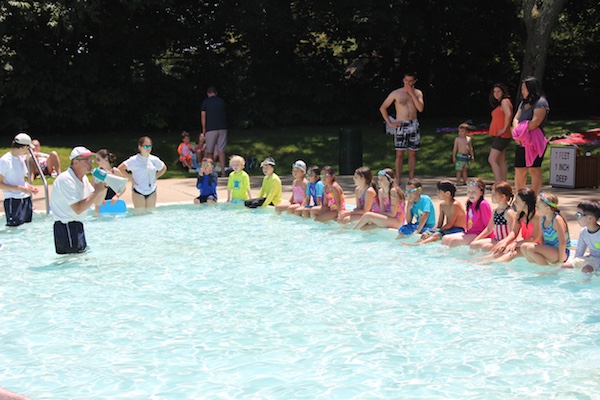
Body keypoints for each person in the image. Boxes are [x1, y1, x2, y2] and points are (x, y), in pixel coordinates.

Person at [50, 146, 107, 254]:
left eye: (91, 160)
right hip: (66, 227)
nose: (91, 163)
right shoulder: (66, 179)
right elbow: (78, 208)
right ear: (75, 162)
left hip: (76, 226)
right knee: (72, 263)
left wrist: (103, 187)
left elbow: (97, 202)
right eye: (87, 160)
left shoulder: (83, 178)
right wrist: (96, 191)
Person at [379, 72, 425, 184]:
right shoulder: (396, 93)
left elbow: (420, 108)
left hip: (413, 123)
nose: (408, 83)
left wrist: (412, 94)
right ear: (403, 80)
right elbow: (383, 107)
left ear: (414, 81)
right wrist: (390, 122)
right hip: (401, 124)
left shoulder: (418, 93)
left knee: (412, 152)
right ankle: (398, 179)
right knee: (399, 153)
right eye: (406, 80)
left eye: (410, 81)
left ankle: (411, 178)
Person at [476, 187, 541, 264]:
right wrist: (505, 242)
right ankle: (476, 261)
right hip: (524, 243)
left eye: (517, 201)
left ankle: (490, 264)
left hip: (535, 245)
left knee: (511, 253)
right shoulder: (520, 214)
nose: (514, 203)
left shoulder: (536, 216)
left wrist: (515, 244)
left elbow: (534, 238)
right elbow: (514, 232)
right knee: (501, 248)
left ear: (524, 203)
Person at [512, 76, 549, 195]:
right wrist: (517, 132)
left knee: (534, 169)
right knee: (519, 169)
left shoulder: (541, 102)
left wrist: (521, 132)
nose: (522, 91)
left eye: (524, 89)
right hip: (521, 141)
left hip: (534, 141)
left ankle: (534, 196)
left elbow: (536, 122)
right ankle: (519, 195)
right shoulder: (523, 103)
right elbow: (516, 118)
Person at [407, 180, 466, 245]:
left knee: (436, 235)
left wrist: (435, 231)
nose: (437, 194)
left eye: (439, 192)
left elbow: (450, 225)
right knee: (425, 234)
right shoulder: (442, 205)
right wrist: (429, 231)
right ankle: (416, 243)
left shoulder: (455, 205)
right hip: (449, 228)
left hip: (458, 230)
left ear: (447, 194)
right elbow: (439, 223)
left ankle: (417, 244)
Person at [521, 192, 570, 265]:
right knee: (523, 247)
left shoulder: (556, 220)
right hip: (549, 250)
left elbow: (562, 242)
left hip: (561, 252)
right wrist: (542, 250)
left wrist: (560, 261)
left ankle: (547, 269)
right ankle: (544, 266)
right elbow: (541, 237)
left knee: (530, 248)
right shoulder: (542, 218)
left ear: (547, 208)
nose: (536, 209)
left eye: (538, 207)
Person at [0, 133, 39, 227]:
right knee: (14, 230)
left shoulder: (20, 159)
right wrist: (19, 188)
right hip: (12, 200)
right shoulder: (4, 161)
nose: (29, 150)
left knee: (26, 228)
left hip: (25, 199)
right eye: (28, 148)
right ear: (23, 147)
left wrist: (30, 187)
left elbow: (20, 180)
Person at [118, 136, 167, 209]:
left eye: (150, 146)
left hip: (152, 191)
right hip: (138, 190)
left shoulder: (154, 159)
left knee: (150, 214)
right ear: (140, 147)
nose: (148, 148)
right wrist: (131, 180)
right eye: (146, 146)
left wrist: (155, 177)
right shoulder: (134, 160)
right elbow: (120, 168)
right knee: (140, 215)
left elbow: (164, 168)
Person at [442, 179, 492, 247]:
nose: (471, 194)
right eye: (469, 191)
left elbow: (489, 227)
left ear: (481, 192)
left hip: (479, 234)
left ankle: (452, 257)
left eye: (474, 192)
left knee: (454, 241)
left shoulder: (483, 204)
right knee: (445, 238)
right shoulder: (469, 203)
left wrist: (477, 239)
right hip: (470, 233)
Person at [470, 181, 516, 252]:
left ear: (503, 196)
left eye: (494, 194)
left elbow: (513, 233)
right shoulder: (495, 211)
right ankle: (472, 261)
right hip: (496, 239)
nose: (492, 196)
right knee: (473, 245)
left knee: (486, 247)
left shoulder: (508, 213)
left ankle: (485, 262)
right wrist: (476, 239)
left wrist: (505, 243)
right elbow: (489, 229)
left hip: (505, 241)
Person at [562, 200, 600, 274]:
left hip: (598, 260)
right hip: (591, 259)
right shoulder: (584, 232)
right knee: (564, 266)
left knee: (586, 270)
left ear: (590, 218)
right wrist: (575, 263)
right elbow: (579, 253)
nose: (576, 217)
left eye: (578, 215)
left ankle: (586, 285)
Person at [487, 83, 513, 182]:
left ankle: (498, 183)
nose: (496, 94)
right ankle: (503, 182)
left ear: (503, 92)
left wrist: (504, 128)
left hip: (502, 135)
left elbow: (508, 114)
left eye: (498, 91)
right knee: (501, 160)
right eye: (494, 92)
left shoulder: (504, 101)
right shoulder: (503, 102)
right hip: (501, 135)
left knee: (492, 159)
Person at [201, 86, 227, 176]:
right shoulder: (221, 101)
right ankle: (223, 171)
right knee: (221, 150)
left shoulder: (206, 102)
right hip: (222, 128)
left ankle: (209, 171)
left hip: (211, 128)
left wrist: (204, 129)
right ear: (216, 93)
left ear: (208, 93)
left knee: (210, 151)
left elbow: (203, 116)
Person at [94, 149, 125, 213]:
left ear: (106, 159)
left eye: (98, 159)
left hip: (113, 202)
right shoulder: (97, 173)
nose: (96, 162)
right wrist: (99, 198)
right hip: (100, 204)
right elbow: (92, 188)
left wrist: (116, 196)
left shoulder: (115, 171)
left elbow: (123, 187)